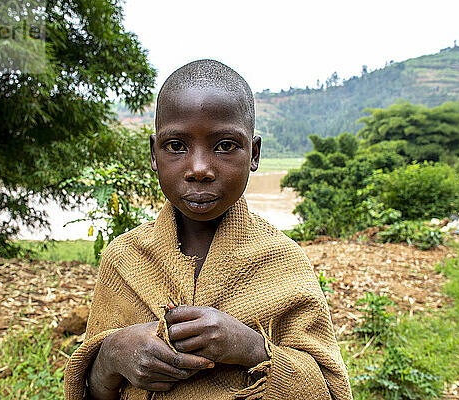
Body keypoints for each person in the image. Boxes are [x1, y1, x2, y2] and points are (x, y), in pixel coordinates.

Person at [64, 59, 353, 400]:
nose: (199, 169)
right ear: (154, 154)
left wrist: (251, 348)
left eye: (225, 145)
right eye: (176, 146)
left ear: (254, 153)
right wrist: (110, 356)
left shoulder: (284, 261)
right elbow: (96, 389)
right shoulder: (124, 259)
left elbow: (329, 389)